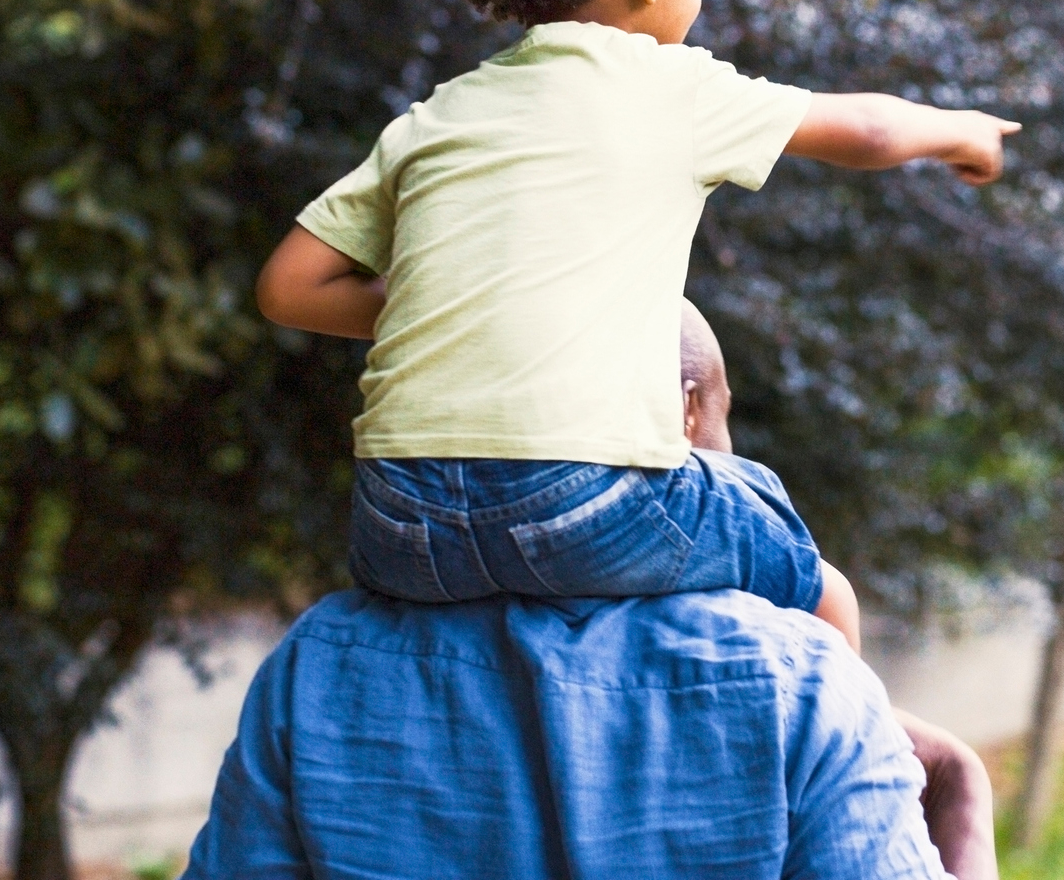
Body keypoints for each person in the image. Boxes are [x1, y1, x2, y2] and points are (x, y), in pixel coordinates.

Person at [252, 0, 1019, 652]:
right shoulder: (668, 86)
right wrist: (963, 130)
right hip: (580, 502)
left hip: (399, 522)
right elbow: (873, 134)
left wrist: (457, 304)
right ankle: (837, 758)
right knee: (820, 588)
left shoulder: (437, 116)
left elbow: (289, 288)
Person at [179, 302, 998, 880]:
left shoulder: (320, 663)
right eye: (721, 410)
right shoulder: (805, 682)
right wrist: (960, 797)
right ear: (683, 412)